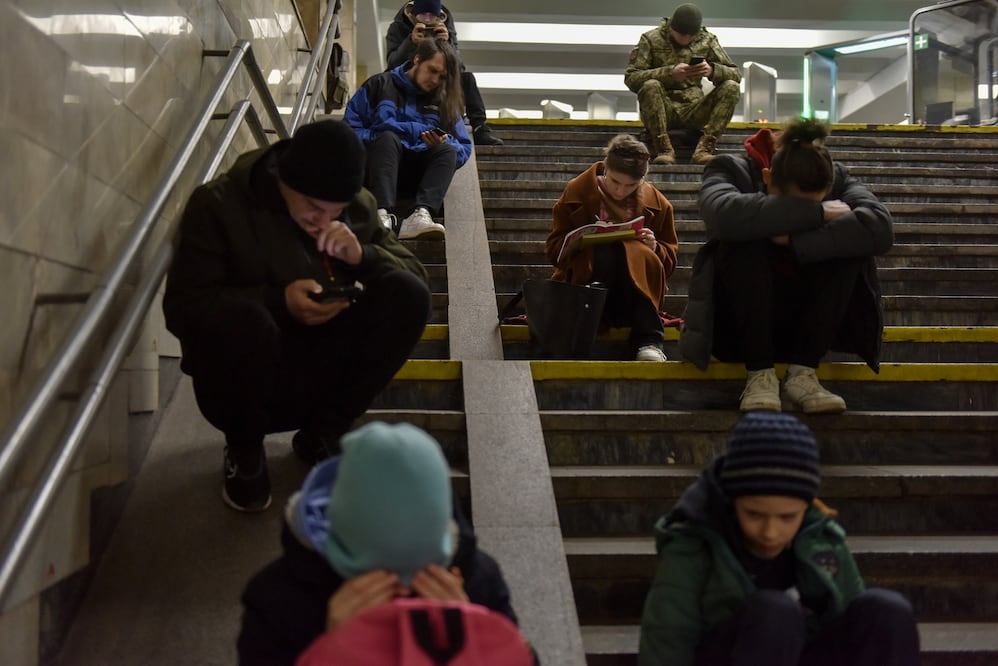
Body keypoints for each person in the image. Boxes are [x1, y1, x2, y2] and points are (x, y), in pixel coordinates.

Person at [162, 120, 431, 512]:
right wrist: (278, 302)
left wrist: (364, 258)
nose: (323, 221)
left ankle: (323, 433)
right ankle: (244, 451)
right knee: (243, 318)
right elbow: (183, 309)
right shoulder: (218, 205)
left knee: (407, 294)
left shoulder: (357, 206)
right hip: (244, 380)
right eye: (313, 208)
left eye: (335, 211)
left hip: (322, 367)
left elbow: (417, 280)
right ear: (282, 178)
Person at [638, 411, 920, 666]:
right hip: (729, 654)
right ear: (732, 500)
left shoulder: (822, 537)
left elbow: (850, 619)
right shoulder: (693, 543)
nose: (770, 533)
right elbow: (667, 640)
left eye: (788, 518)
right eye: (754, 514)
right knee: (775, 612)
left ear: (807, 507)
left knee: (886, 610)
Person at [237, 421, 522, 666]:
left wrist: (476, 636)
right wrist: (330, 649)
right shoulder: (277, 602)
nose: (400, 585)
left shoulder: (478, 580)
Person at [679, 117, 893, 413]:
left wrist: (795, 242)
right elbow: (723, 216)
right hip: (739, 327)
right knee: (742, 240)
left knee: (850, 248)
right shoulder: (730, 169)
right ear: (767, 177)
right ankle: (759, 375)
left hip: (808, 326)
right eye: (794, 206)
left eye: (815, 203)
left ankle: (803, 373)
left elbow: (879, 228)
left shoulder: (833, 175)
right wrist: (817, 214)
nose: (801, 214)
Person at [546, 134, 679, 361]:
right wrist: (579, 240)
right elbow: (554, 251)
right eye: (615, 182)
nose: (620, 191)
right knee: (607, 249)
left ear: (643, 180)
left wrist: (655, 247)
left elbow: (669, 262)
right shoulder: (577, 193)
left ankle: (649, 341)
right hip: (587, 285)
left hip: (635, 292)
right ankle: (642, 338)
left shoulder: (659, 204)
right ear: (605, 169)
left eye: (631, 185)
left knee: (634, 250)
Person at [345, 37, 472, 241]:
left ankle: (420, 215)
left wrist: (441, 142)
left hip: (419, 177)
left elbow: (464, 147)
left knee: (448, 149)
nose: (435, 80)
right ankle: (380, 215)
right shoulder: (379, 84)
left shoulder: (446, 99)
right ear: (417, 59)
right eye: (432, 70)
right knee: (387, 138)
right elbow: (350, 129)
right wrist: (381, 137)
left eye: (442, 76)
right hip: (379, 169)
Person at [624, 3, 741, 165]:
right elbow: (631, 78)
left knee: (731, 87)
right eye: (681, 35)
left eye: (690, 36)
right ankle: (663, 149)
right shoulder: (651, 39)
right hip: (662, 107)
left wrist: (712, 70)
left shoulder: (707, 40)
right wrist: (669, 74)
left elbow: (735, 74)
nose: (685, 39)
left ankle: (705, 148)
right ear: (671, 27)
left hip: (694, 109)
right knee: (650, 85)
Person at [385, 0, 504, 146]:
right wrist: (410, 42)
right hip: (410, 78)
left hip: (439, 79)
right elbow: (392, 64)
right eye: (423, 15)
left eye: (431, 15)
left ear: (439, 16)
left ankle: (480, 127)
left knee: (467, 79)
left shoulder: (446, 26)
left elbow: (459, 68)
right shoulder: (398, 28)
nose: (427, 19)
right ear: (412, 13)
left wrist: (447, 45)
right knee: (385, 80)